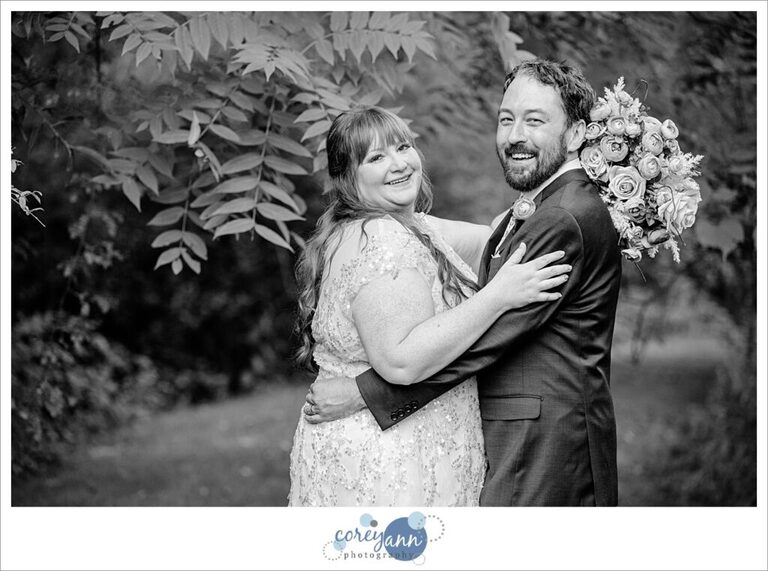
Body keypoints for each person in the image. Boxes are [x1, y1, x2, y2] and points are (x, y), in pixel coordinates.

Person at [304, 59, 623, 507]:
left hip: (543, 442)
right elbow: (470, 240)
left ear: (575, 135)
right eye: (507, 119)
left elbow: (488, 338)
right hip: (487, 441)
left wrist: (363, 392)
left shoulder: (561, 217)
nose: (515, 135)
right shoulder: (538, 207)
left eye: (535, 121)